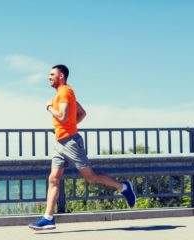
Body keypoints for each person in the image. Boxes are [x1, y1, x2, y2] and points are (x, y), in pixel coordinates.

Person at [28, 64, 136, 230]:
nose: (48, 77)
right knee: (53, 179)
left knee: (90, 177)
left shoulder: (65, 91)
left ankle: (124, 187)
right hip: (60, 143)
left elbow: (63, 116)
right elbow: (82, 113)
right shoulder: (62, 93)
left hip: (71, 142)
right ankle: (48, 218)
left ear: (61, 76)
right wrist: (67, 126)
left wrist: (49, 107)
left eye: (52, 74)